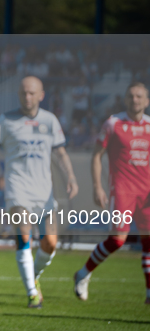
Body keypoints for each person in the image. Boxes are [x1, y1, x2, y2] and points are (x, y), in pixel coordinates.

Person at [0, 76, 78, 308]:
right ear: (19, 94)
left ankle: (32, 277)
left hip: (44, 192)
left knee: (50, 244)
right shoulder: (6, 120)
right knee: (23, 236)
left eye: (32, 93)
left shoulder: (50, 121)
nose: (27, 97)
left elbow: (61, 153)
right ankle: (33, 294)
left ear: (41, 95)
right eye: (24, 92)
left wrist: (71, 176)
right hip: (17, 188)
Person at [74, 82, 150, 304]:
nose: (134, 100)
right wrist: (98, 186)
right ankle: (83, 273)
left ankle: (148, 293)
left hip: (147, 193)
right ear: (125, 99)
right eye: (130, 96)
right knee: (117, 240)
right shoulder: (113, 124)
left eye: (139, 96)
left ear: (146, 101)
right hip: (123, 189)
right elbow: (97, 155)